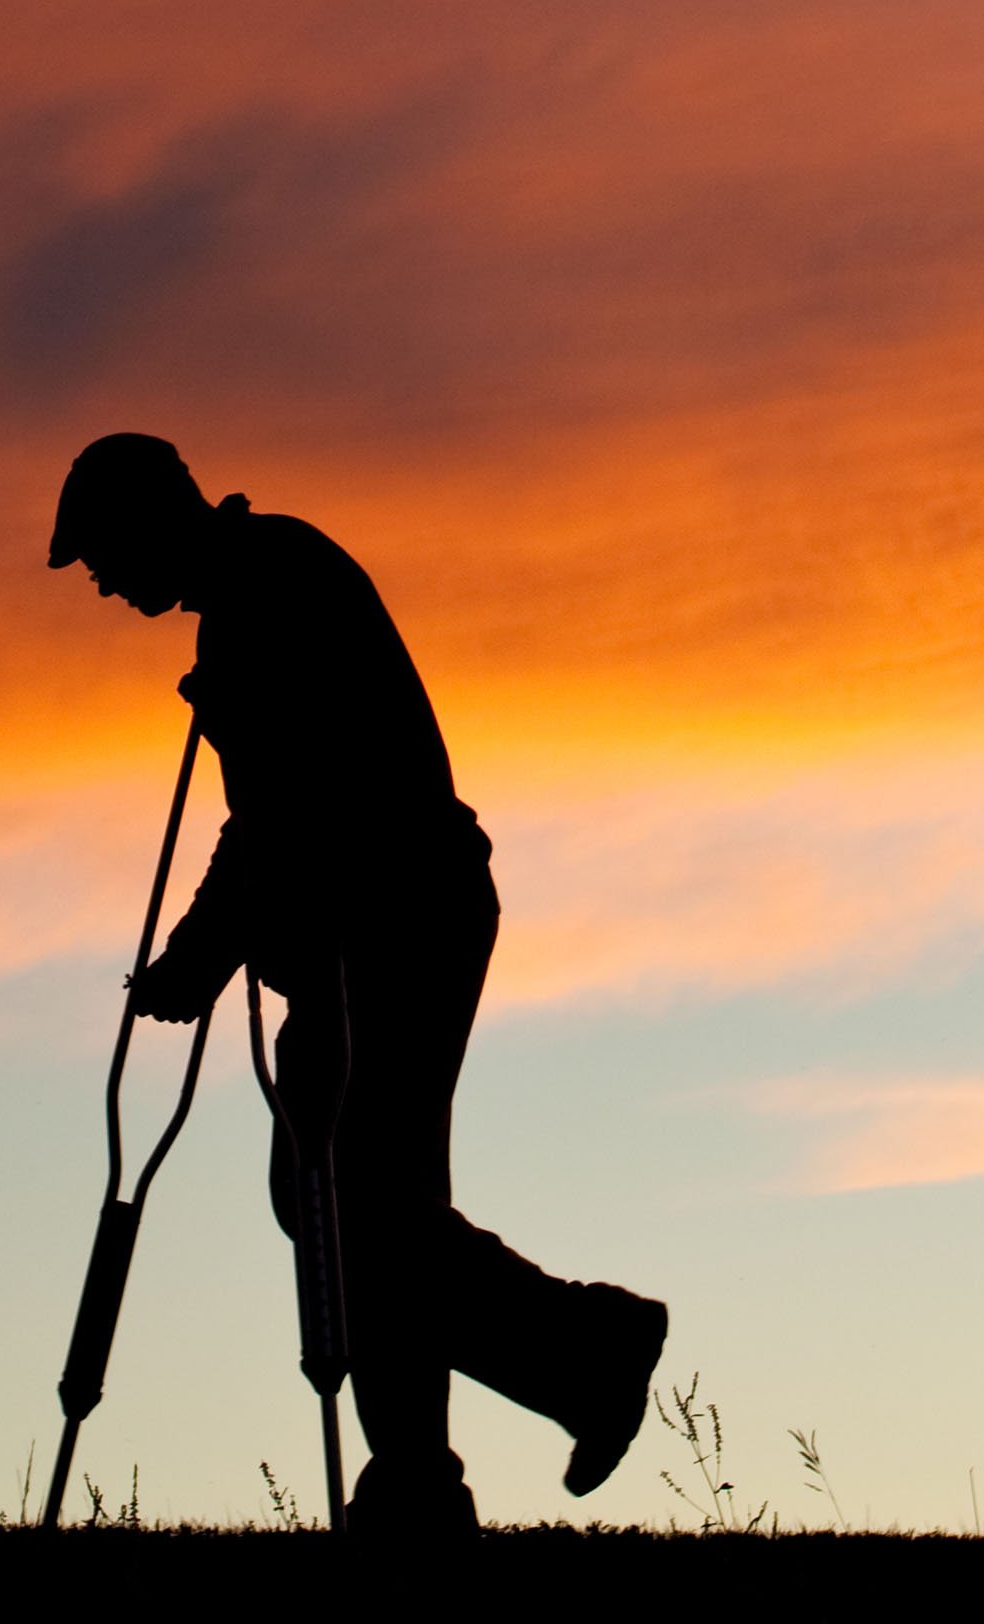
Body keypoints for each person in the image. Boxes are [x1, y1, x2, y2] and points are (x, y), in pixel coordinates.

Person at [49, 430, 666, 1536]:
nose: (98, 578)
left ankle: (549, 1377)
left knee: (352, 1202)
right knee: (350, 1202)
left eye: (99, 550)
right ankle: (454, 1449)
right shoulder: (252, 589)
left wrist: (199, 954)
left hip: (396, 921)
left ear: (149, 518)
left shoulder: (270, 587)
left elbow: (282, 813)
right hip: (367, 927)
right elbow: (277, 817)